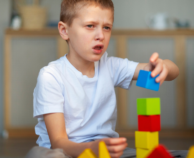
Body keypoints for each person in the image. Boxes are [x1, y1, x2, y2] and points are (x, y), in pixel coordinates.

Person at [31, 0, 180, 158]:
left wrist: (163, 67)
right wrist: (91, 148)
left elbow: (170, 73)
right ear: (64, 30)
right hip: (65, 152)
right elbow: (58, 143)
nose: (100, 36)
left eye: (107, 27)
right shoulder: (51, 76)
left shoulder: (111, 68)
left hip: (103, 151)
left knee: (170, 155)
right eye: (90, 26)